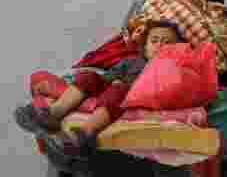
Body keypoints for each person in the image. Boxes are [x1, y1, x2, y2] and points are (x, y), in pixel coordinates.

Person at [13, 22, 182, 159]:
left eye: (167, 42)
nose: (160, 45)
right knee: (89, 77)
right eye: (155, 40)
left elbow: (169, 92)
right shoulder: (132, 61)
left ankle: (85, 134)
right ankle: (54, 113)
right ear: (145, 47)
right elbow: (107, 77)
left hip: (131, 100)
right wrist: (110, 81)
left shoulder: (172, 68)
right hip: (108, 96)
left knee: (120, 90)